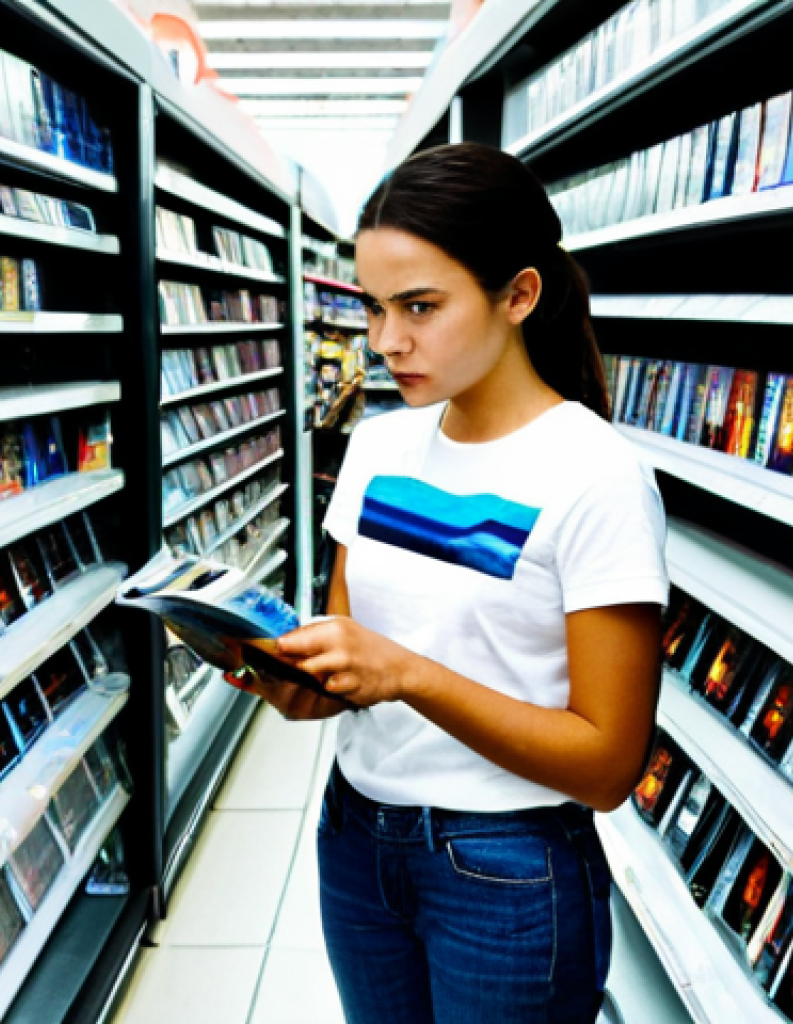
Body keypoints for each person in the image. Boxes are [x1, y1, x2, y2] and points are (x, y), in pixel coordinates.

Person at [245, 143, 668, 1023]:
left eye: (420, 307)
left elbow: (607, 764)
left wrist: (408, 673)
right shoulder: (379, 446)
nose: (384, 341)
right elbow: (349, 668)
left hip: (509, 870)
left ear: (518, 295)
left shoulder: (597, 476)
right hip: (358, 837)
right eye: (373, 306)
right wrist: (287, 680)